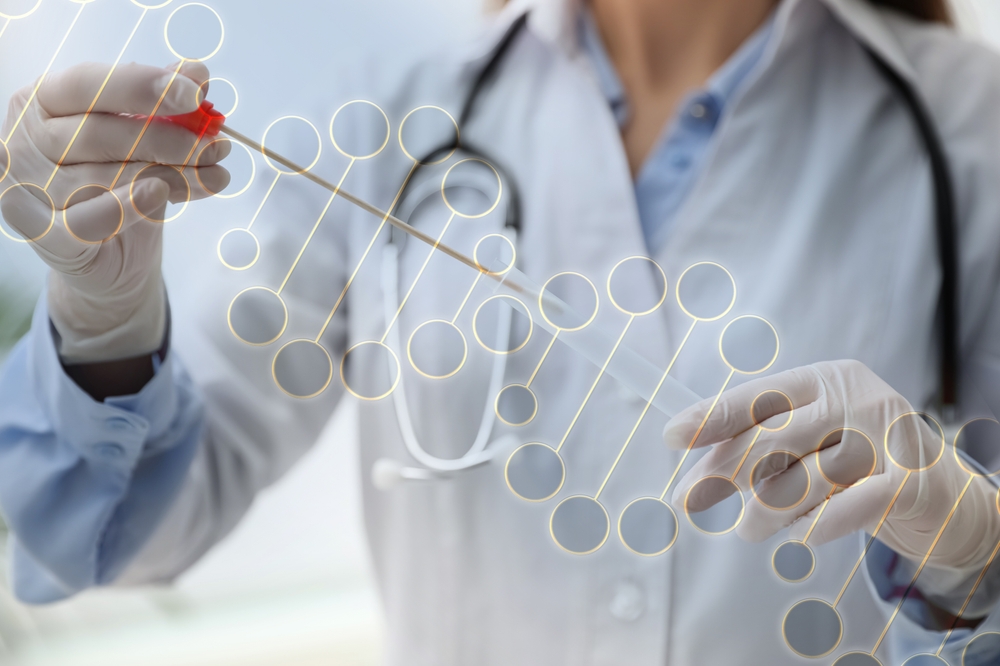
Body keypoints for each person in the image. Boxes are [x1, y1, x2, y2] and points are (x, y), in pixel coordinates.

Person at [2, 0, 1000, 663]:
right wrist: (105, 316)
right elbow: (125, 531)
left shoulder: (971, 130)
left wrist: (973, 545)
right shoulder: (401, 105)